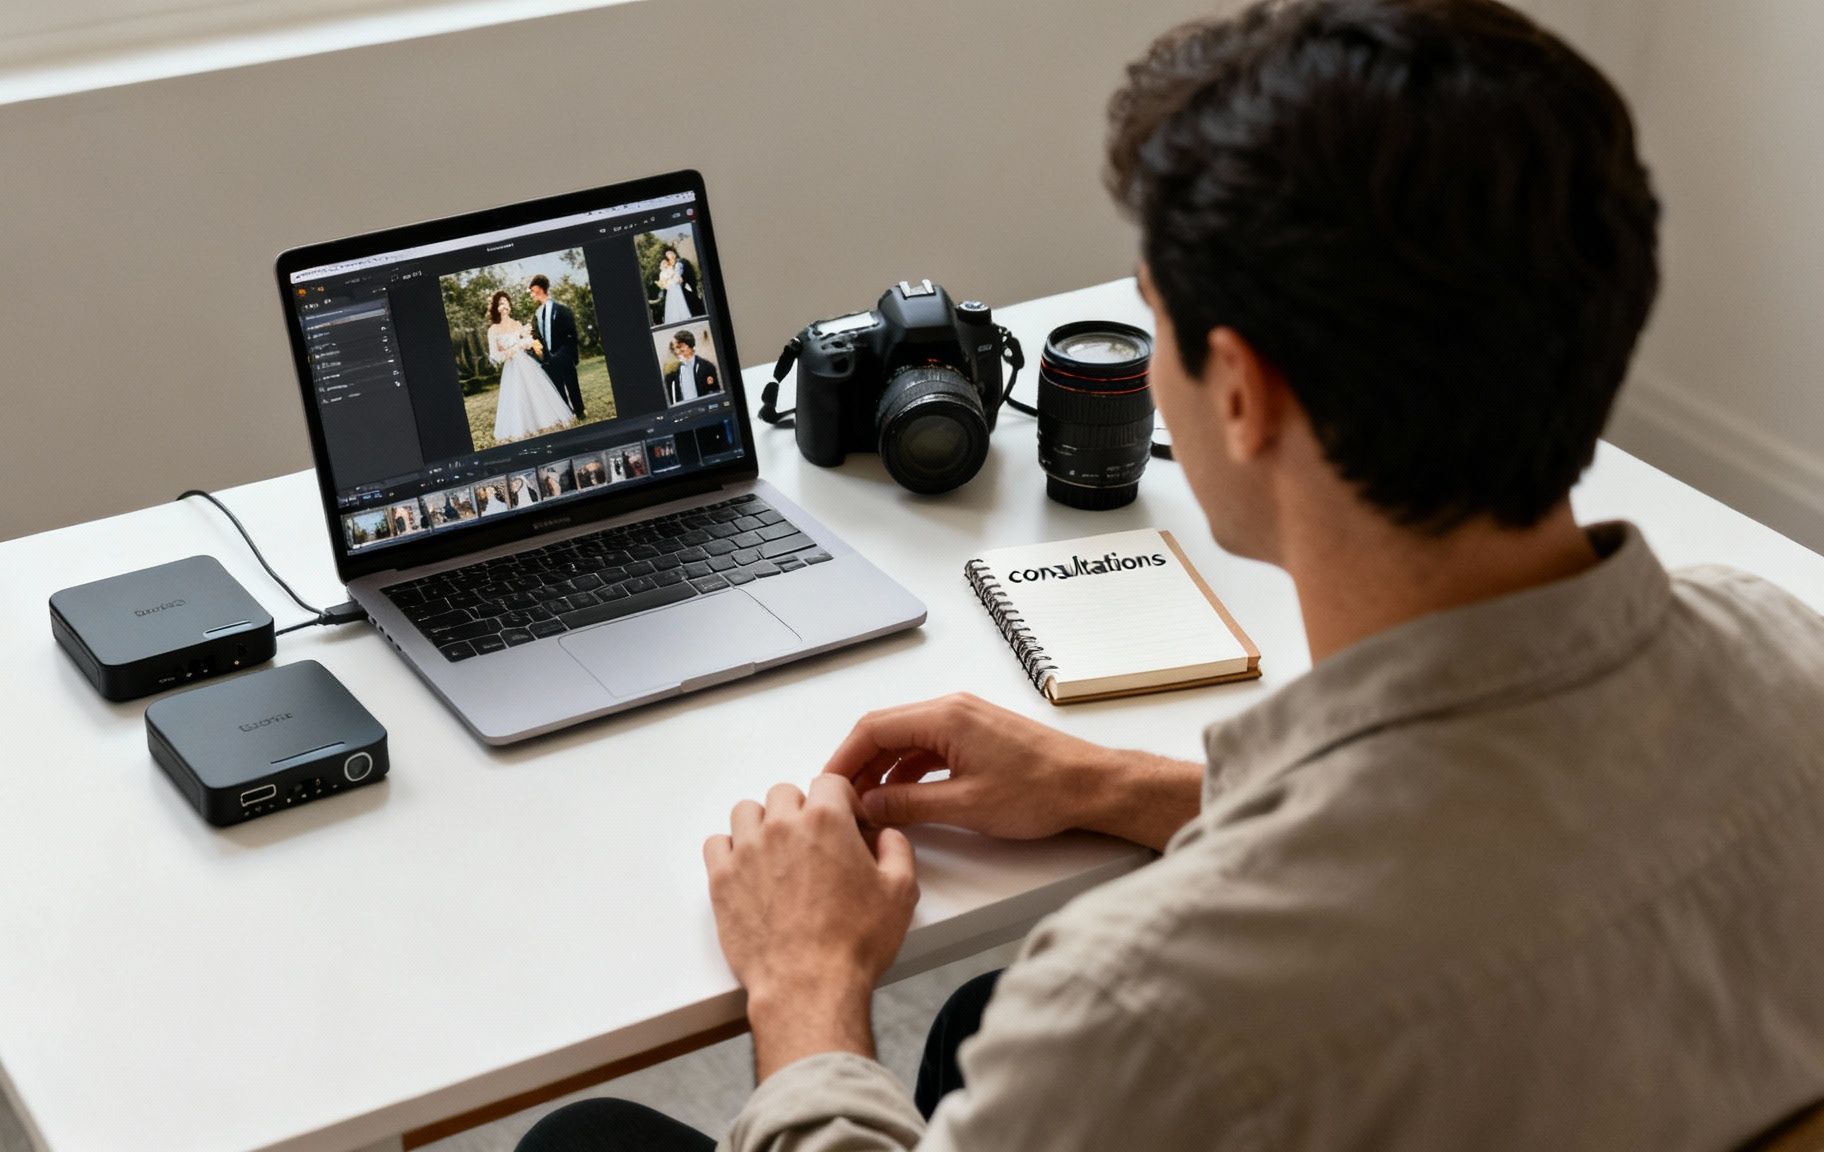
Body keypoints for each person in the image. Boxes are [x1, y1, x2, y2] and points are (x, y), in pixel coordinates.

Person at [517, 2, 1824, 1151]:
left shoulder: (1147, 1014)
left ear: (1244, 390)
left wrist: (806, 987)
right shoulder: (1788, 661)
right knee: (980, 1019)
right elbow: (1486, 821)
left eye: (1154, 318)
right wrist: (1105, 784)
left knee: (584, 1138)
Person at [485, 290, 576, 444]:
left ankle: (545, 422)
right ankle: (523, 427)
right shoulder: (493, 330)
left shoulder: (517, 324)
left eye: (506, 302)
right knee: (517, 397)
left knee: (537, 392)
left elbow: (529, 343)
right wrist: (515, 347)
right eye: (500, 303)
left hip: (527, 365)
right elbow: (495, 356)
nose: (504, 306)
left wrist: (527, 341)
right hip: (512, 367)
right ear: (495, 307)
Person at [529, 275, 586, 419]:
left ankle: (579, 412)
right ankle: (566, 413)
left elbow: (571, 335)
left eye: (532, 291)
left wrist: (570, 356)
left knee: (572, 384)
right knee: (558, 387)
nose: (531, 294)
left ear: (540, 289)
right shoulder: (536, 315)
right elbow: (536, 336)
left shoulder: (562, 310)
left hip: (564, 355)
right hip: (548, 359)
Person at [654, 244, 704, 325]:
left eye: (670, 253)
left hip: (682, 287)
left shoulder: (681, 262)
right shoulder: (667, 266)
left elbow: (688, 277)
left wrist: (683, 280)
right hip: (673, 288)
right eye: (667, 255)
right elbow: (665, 279)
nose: (669, 256)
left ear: (674, 253)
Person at [666, 330, 719, 405]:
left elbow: (716, 394)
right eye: (674, 348)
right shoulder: (672, 375)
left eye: (679, 346)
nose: (677, 351)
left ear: (690, 345)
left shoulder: (708, 367)